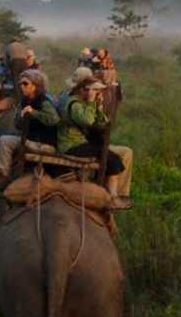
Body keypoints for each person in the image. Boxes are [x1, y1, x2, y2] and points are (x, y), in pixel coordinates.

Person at [57, 69, 133, 211]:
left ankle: (115, 194)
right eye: (94, 90)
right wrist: (92, 102)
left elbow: (103, 122)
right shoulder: (74, 104)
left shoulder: (81, 102)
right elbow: (87, 120)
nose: (97, 93)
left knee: (111, 154)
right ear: (83, 90)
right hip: (73, 144)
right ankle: (112, 197)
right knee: (112, 158)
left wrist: (97, 105)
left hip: (82, 143)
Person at [0, 69, 59, 190]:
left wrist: (34, 113)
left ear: (35, 86)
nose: (22, 86)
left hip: (44, 143)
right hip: (32, 139)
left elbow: (54, 119)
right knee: (9, 135)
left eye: (26, 84)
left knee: (4, 141)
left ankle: (2, 177)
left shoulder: (44, 101)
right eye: (21, 84)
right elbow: (18, 125)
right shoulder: (26, 100)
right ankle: (2, 172)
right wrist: (21, 117)